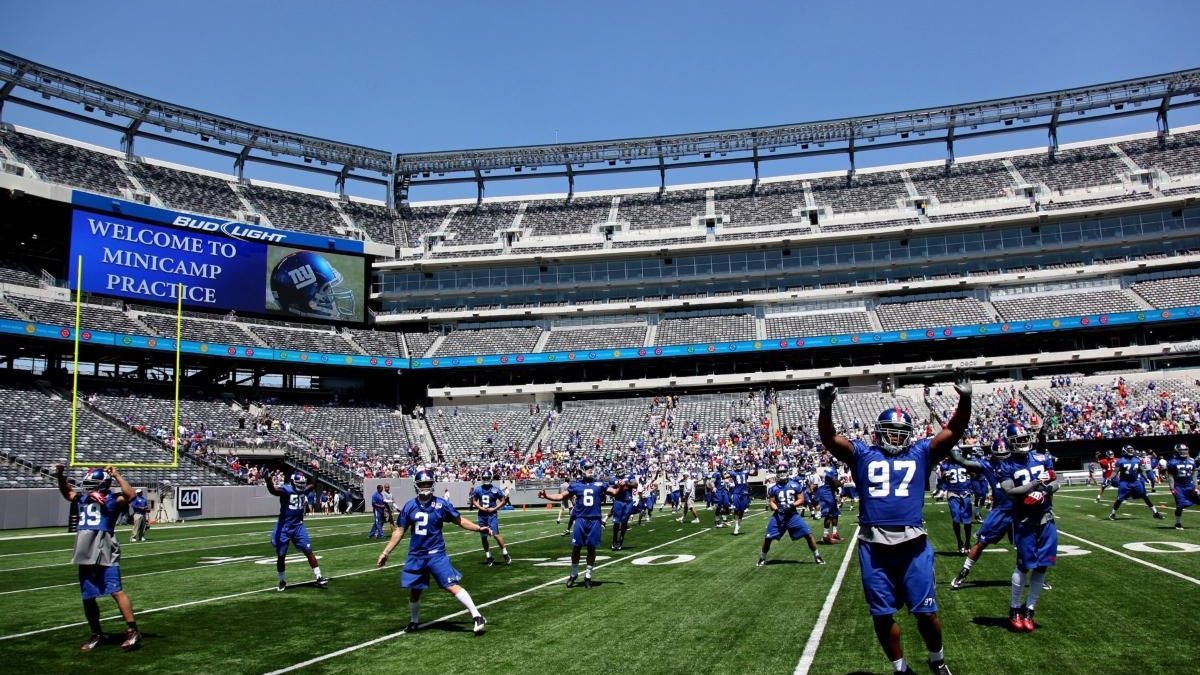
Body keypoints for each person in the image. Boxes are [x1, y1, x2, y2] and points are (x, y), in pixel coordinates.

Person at [817, 370, 972, 675]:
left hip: (913, 545)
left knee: (926, 612)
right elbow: (830, 439)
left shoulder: (920, 452)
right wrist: (825, 409)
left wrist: (965, 400)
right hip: (875, 547)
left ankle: (936, 659)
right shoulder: (863, 453)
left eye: (902, 431)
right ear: (878, 431)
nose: (897, 436)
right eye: (891, 430)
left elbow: (953, 431)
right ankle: (901, 669)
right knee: (882, 614)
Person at [376, 469, 490, 635]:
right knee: (415, 590)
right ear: (417, 485)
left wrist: (478, 528)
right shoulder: (410, 506)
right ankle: (414, 622)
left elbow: (460, 520)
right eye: (422, 484)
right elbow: (399, 531)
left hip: (436, 554)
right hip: (417, 554)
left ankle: (477, 616)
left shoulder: (441, 504)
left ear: (433, 484)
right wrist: (385, 553)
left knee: (450, 585)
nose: (425, 487)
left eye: (428, 483)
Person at [54, 464, 142, 651]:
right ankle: (97, 633)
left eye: (92, 483)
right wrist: (60, 475)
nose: (88, 486)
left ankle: (132, 630)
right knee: (87, 595)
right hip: (85, 546)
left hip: (104, 545)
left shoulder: (112, 498)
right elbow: (67, 493)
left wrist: (116, 475)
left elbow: (130, 495)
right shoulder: (82, 498)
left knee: (116, 590)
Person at [994, 423, 1058, 631]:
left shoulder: (1041, 457)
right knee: (1024, 565)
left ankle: (1029, 609)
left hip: (1045, 518)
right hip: (1023, 521)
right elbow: (1010, 492)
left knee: (1042, 566)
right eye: (1018, 440)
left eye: (1024, 438)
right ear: (1011, 443)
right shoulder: (1006, 465)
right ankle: (1014, 608)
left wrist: (1046, 490)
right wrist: (1034, 485)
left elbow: (1057, 481)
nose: (1023, 443)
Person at [539, 459, 617, 588]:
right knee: (576, 547)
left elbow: (614, 492)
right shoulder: (576, 485)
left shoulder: (600, 484)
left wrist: (623, 485)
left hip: (595, 519)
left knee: (592, 548)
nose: (590, 469)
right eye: (587, 467)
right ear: (581, 469)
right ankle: (574, 573)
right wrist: (547, 496)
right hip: (581, 519)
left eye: (591, 467)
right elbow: (561, 497)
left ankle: (588, 576)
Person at [264, 470, 329, 591]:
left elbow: (313, 484)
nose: (301, 485)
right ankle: (282, 580)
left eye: (303, 483)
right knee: (281, 556)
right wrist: (268, 481)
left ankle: (319, 576)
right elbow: (274, 491)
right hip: (284, 527)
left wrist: (315, 471)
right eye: (299, 483)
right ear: (293, 482)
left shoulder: (303, 490)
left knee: (308, 550)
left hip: (298, 526)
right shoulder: (286, 490)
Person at [758, 463, 825, 566]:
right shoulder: (773, 488)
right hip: (779, 516)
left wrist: (791, 505)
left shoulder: (795, 485)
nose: (782, 474)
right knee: (768, 537)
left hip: (792, 515)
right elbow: (771, 502)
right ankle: (762, 558)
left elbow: (801, 499)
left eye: (784, 471)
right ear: (777, 473)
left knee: (808, 534)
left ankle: (817, 556)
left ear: (787, 472)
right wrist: (777, 509)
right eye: (780, 472)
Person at [1108, 445, 1164, 521]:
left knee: (1145, 496)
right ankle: (1113, 514)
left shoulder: (1137, 459)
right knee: (1119, 499)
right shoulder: (1121, 461)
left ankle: (1155, 513)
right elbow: (1115, 471)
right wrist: (1110, 478)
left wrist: (1145, 478)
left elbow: (1141, 470)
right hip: (1125, 482)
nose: (1131, 451)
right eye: (1129, 449)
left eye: (1131, 449)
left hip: (1135, 481)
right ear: (1124, 450)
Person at [470, 470, 511, 566]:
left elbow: (503, 501)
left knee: (496, 534)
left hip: (491, 515)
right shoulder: (478, 489)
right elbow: (474, 500)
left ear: (491, 478)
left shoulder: (495, 489)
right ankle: (488, 556)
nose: (486, 480)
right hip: (481, 514)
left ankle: (505, 553)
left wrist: (494, 508)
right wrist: (480, 507)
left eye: (487, 478)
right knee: (484, 537)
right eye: (484, 478)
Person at [938, 455, 974, 554]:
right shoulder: (945, 465)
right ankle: (959, 542)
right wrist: (941, 489)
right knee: (956, 519)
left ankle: (967, 542)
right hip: (953, 493)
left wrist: (972, 489)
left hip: (965, 492)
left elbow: (974, 476)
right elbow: (942, 481)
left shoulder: (966, 462)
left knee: (967, 520)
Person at [1165, 443, 1197, 530]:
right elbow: (1171, 476)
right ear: (1177, 451)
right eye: (1181, 450)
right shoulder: (1172, 462)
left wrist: (1196, 486)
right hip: (1179, 487)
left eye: (1185, 450)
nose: (1184, 452)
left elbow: (1194, 474)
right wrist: (1172, 487)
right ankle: (1177, 523)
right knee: (1180, 506)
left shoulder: (1191, 460)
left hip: (1190, 486)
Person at [608, 462, 637, 550]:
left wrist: (626, 483)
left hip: (628, 501)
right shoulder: (613, 479)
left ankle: (621, 540)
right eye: (618, 469)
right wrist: (617, 485)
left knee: (624, 522)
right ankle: (614, 541)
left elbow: (635, 485)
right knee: (616, 522)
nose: (619, 471)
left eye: (621, 469)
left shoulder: (629, 476)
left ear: (623, 469)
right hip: (618, 501)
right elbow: (610, 490)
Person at [816, 464, 842, 544]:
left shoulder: (828, 469)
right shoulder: (831, 470)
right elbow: (836, 483)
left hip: (828, 492)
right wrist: (841, 483)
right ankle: (825, 536)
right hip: (826, 494)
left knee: (835, 513)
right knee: (828, 515)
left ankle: (834, 533)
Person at [728, 460, 754, 535]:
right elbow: (724, 476)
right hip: (736, 492)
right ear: (735, 465)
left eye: (740, 464)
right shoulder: (733, 473)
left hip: (744, 493)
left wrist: (756, 467)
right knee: (736, 509)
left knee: (742, 510)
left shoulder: (745, 472)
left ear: (742, 465)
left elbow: (754, 474)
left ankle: (739, 523)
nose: (739, 465)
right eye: (737, 464)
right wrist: (720, 472)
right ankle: (736, 526)